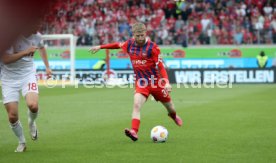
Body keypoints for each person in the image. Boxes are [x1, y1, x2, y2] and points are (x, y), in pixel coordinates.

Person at [89, 22, 182, 142]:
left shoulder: (153, 48)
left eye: (142, 35)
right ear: (133, 35)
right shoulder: (129, 44)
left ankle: (173, 116)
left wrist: (167, 82)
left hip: (156, 83)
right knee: (137, 105)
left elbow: (161, 66)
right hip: (141, 82)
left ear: (145, 33)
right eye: (137, 36)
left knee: (171, 108)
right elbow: (117, 44)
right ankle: (134, 131)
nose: (140, 38)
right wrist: (101, 47)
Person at [0, 23, 52, 152]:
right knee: (12, 116)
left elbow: (42, 48)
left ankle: (31, 122)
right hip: (8, 78)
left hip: (27, 75)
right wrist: (25, 52)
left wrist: (47, 67)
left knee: (33, 105)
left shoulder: (37, 36)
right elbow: (5, 58)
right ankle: (22, 142)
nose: (38, 26)